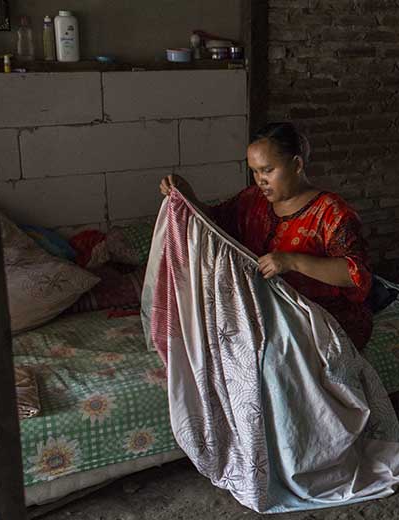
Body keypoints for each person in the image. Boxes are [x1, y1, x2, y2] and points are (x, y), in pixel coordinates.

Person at [159, 122, 373, 350]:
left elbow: (355, 274)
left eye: (268, 170)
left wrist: (292, 261)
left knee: (276, 359)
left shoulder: (330, 212)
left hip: (321, 317)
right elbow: (213, 224)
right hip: (269, 313)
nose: (260, 180)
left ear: (297, 165)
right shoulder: (253, 200)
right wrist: (186, 196)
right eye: (254, 171)